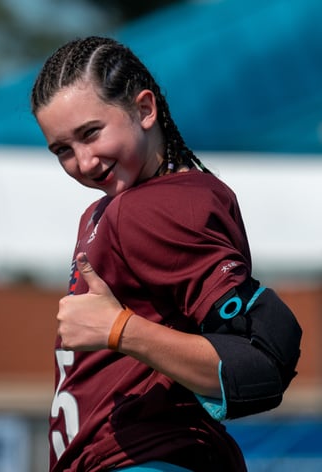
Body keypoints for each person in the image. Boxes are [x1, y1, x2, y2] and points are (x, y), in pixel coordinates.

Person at [30, 36, 302, 472]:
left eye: (90, 133)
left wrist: (120, 329)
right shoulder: (108, 210)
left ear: (144, 110)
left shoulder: (160, 205)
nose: (82, 161)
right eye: (62, 149)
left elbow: (263, 358)